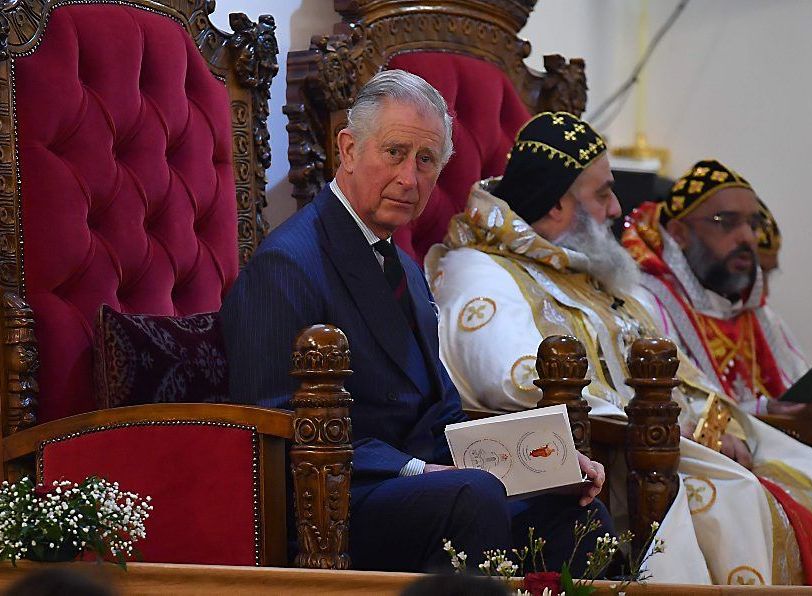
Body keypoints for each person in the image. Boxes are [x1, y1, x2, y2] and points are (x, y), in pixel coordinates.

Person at [426, 112, 812, 585]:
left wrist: (712, 426)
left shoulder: (589, 273)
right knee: (742, 506)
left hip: (669, 442)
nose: (615, 210)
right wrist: (673, 428)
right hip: (611, 464)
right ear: (558, 205)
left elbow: (679, 371)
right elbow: (517, 381)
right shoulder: (481, 271)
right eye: (602, 193)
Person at [220, 70, 609, 574]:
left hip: (429, 482)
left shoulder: (401, 263)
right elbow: (276, 423)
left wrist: (540, 460)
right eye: (395, 152)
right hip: (337, 500)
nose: (410, 178)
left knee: (578, 511)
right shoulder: (288, 264)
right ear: (349, 148)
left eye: (426, 160)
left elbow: (442, 409)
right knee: (474, 495)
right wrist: (418, 469)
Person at [621, 161, 808, 412]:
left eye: (753, 225)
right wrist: (763, 410)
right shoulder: (647, 305)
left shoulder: (761, 316)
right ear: (679, 233)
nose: (747, 237)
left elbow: (798, 391)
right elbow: (672, 411)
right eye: (727, 222)